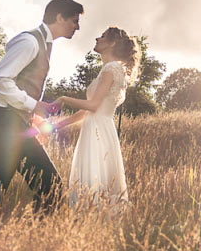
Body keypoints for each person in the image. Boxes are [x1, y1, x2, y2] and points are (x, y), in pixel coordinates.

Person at [0, 0, 82, 217]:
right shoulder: (30, 42)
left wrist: (33, 113)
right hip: (2, 120)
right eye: (74, 21)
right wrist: (34, 104)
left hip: (12, 121)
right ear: (59, 17)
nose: (77, 27)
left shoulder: (43, 43)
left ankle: (34, 238)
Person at [55, 27, 138, 208]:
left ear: (112, 43)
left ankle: (91, 222)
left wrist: (63, 99)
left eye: (102, 37)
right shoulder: (110, 69)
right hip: (100, 127)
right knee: (96, 180)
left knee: (93, 180)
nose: (97, 38)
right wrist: (60, 125)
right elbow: (89, 110)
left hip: (97, 131)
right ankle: (93, 225)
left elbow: (92, 106)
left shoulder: (112, 68)